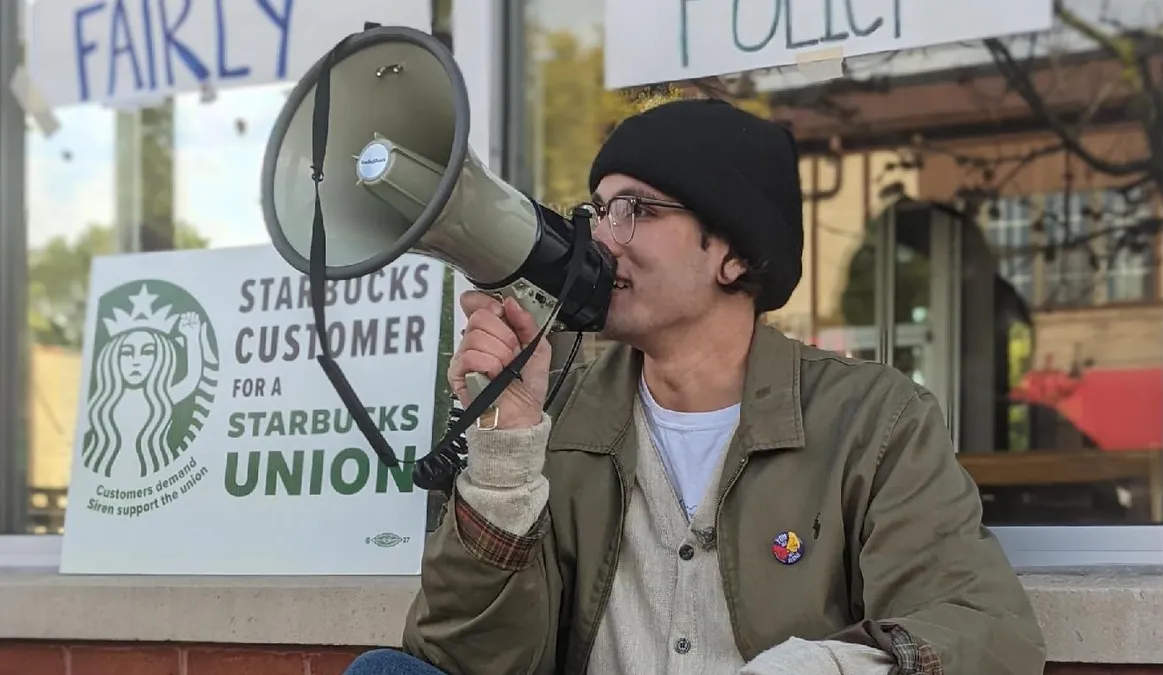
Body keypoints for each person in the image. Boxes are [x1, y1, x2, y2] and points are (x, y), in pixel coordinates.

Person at [344, 98, 1046, 675]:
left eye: (638, 211)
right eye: (599, 208)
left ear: (736, 253)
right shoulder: (557, 414)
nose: (602, 238)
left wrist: (826, 666)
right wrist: (505, 453)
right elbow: (464, 661)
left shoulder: (874, 420)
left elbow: (984, 629)